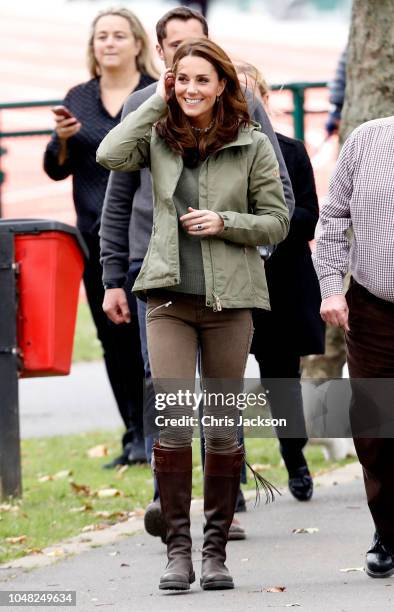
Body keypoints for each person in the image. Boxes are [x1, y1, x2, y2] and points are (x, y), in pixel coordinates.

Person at [97, 38, 289, 592]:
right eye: (182, 79)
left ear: (222, 85)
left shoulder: (251, 143)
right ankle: (177, 552)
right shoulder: (157, 136)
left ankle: (215, 553)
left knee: (223, 430)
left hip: (232, 301)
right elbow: (109, 156)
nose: (191, 89)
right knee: (177, 425)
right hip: (167, 300)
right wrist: (155, 102)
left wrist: (226, 222)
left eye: (202, 80)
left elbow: (277, 221)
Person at [43, 8, 158, 468]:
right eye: (101, 37)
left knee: (152, 341)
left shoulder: (155, 93)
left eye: (118, 35)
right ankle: (133, 434)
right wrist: (63, 139)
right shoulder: (79, 98)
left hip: (149, 235)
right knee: (114, 338)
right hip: (97, 237)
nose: (108, 43)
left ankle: (157, 435)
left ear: (136, 43)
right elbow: (56, 169)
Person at [236, 63, 325, 501]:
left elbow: (309, 216)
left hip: (280, 283)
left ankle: (296, 459)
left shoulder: (290, 150)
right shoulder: (210, 151)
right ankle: (230, 474)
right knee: (223, 381)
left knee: (281, 379)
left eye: (251, 94)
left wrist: (264, 226)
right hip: (229, 282)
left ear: (265, 100)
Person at [313, 116, 394, 578]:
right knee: (377, 430)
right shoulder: (366, 139)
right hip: (374, 307)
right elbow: (333, 216)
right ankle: (388, 531)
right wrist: (331, 287)